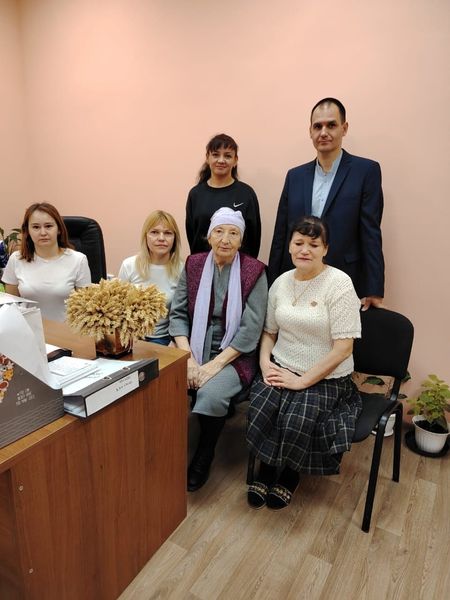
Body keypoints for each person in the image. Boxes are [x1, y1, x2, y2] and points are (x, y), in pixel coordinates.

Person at [247, 216, 362, 510]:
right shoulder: (281, 283)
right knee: (262, 407)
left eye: (314, 244)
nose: (305, 250)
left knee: (297, 419)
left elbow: (344, 349)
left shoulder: (339, 284)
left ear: (326, 249)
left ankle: (290, 473)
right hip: (281, 365)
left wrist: (302, 381)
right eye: (299, 243)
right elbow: (269, 332)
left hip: (326, 376)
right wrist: (265, 363)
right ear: (289, 246)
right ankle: (267, 468)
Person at [170, 207, 267, 491]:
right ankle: (164, 449)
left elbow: (250, 330)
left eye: (233, 233)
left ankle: (204, 453)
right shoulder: (194, 264)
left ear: (241, 240)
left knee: (211, 393)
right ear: (209, 236)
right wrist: (189, 359)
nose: (225, 239)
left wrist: (213, 366)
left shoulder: (255, 271)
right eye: (219, 231)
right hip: (192, 347)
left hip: (235, 354)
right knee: (160, 383)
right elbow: (178, 314)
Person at [268, 98, 384, 310]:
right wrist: (272, 283)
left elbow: (371, 233)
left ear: (344, 128)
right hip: (297, 279)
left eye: (331, 125)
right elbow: (281, 234)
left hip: (344, 278)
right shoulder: (295, 176)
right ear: (310, 131)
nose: (323, 132)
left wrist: (374, 287)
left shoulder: (366, 172)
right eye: (317, 126)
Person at [2, 202, 91, 322]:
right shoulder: (16, 259)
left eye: (48, 226)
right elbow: (11, 306)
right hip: (27, 329)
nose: (43, 233)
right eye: (36, 227)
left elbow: (85, 310)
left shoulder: (78, 260)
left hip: (66, 331)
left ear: (59, 229)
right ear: (27, 231)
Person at [186, 133, 261, 258]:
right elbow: (192, 234)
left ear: (235, 160)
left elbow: (254, 238)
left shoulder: (246, 194)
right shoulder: (196, 194)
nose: (221, 160)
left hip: (238, 266)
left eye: (227, 156)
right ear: (207, 158)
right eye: (216, 155)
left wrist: (247, 267)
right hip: (202, 264)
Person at [118, 210, 183, 345]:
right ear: (145, 236)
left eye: (168, 233)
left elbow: (185, 314)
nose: (161, 238)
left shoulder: (182, 269)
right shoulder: (129, 265)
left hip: (167, 339)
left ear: (174, 238)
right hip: (132, 339)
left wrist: (175, 343)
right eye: (154, 232)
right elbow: (118, 308)